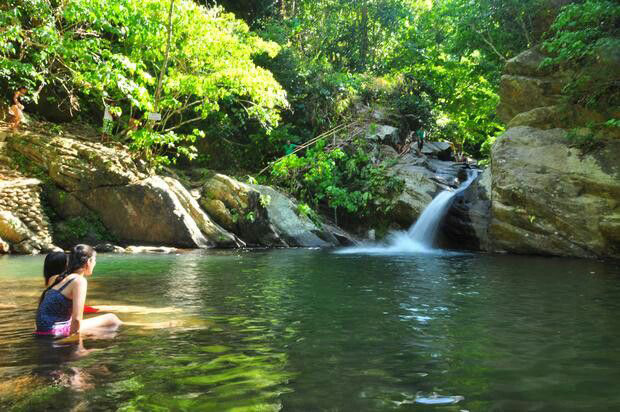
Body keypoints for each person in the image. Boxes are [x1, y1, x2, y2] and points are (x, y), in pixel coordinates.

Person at [35, 245, 121, 338]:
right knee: (112, 319)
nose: (95, 263)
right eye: (94, 260)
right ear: (89, 262)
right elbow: (76, 319)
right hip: (54, 331)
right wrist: (78, 348)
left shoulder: (62, 278)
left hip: (41, 331)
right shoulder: (79, 281)